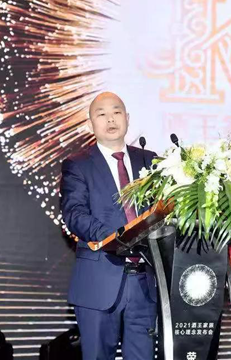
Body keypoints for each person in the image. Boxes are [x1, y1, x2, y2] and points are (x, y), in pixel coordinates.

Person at [60, 92, 158, 360]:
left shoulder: (150, 161)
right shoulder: (78, 164)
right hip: (99, 281)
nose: (110, 119)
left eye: (116, 112)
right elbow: (74, 213)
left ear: (127, 118)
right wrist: (118, 238)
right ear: (90, 123)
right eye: (101, 114)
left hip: (145, 283)